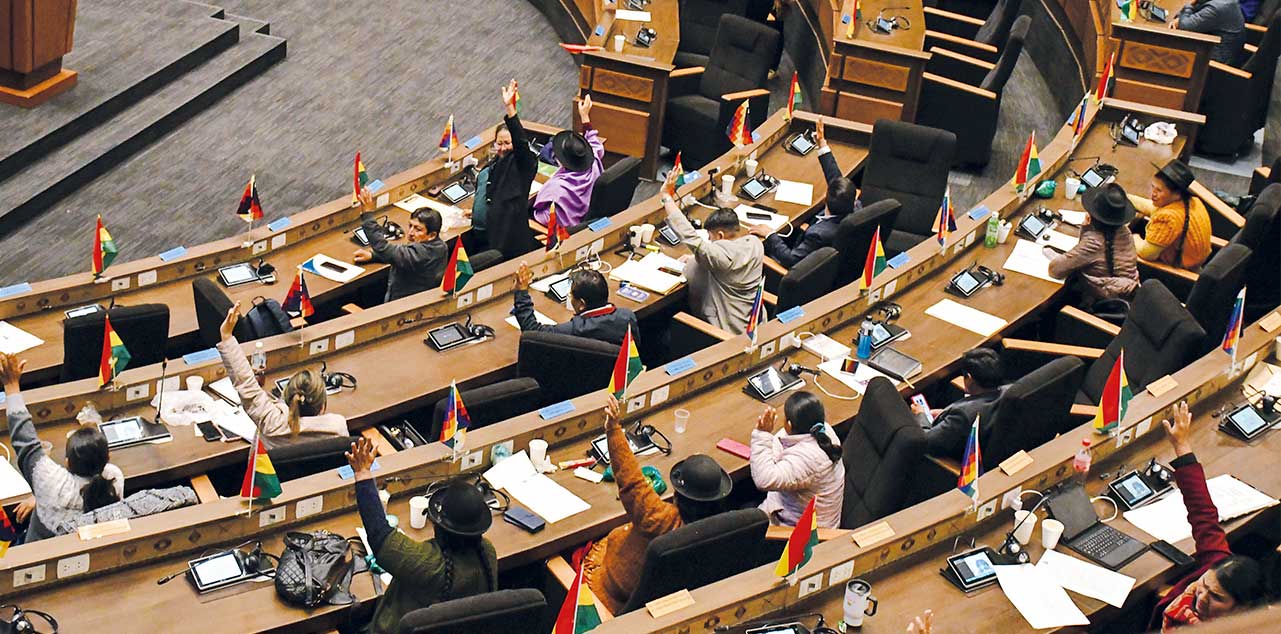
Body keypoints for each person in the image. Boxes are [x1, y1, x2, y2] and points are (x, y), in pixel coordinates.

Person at [583, 395, 732, 614]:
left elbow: (631, 480)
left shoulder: (660, 521)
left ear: (679, 496)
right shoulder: (721, 529)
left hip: (609, 594)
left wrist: (613, 429)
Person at [345, 436, 497, 634]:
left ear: (439, 526)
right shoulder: (488, 553)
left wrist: (363, 473)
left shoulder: (428, 565)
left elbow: (379, 535)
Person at [1152, 401, 1263, 630]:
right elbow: (1202, 512)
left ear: (1243, 608)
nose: (1201, 598)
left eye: (1217, 597)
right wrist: (1182, 445)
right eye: (1204, 586)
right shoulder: (1215, 564)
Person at [1, 352, 123, 542]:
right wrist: (42, 497)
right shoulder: (115, 479)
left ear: (67, 462)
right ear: (108, 457)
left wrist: (11, 386)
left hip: (36, 555)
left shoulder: (52, 483)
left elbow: (25, 441)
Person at [216, 302, 349, 447]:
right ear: (322, 406)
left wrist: (227, 336)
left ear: (286, 400)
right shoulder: (337, 427)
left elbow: (246, 384)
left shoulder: (272, 422)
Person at [660, 169, 765, 334]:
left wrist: (667, 196)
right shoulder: (754, 243)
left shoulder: (719, 256)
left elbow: (690, 237)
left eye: (710, 238)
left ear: (720, 235)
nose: (710, 242)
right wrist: (696, 258)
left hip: (724, 330)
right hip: (753, 324)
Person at [748, 119, 861, 268]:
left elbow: (790, 259)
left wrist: (769, 234)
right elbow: (836, 178)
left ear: (826, 200)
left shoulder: (819, 235)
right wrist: (822, 144)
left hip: (789, 264)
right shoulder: (856, 207)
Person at [750, 391, 845, 528]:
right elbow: (782, 439)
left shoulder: (807, 459)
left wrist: (762, 435)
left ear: (788, 424)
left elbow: (763, 480)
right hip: (803, 514)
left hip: (803, 535)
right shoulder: (825, 432)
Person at [470, 79, 540, 260]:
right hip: (483, 236)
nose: (502, 148)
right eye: (499, 143)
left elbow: (521, 144)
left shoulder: (524, 164)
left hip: (507, 243)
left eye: (507, 143)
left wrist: (510, 109)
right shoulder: (491, 166)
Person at [1047, 183, 1141, 308]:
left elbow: (1055, 270)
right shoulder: (1124, 231)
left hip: (1103, 305)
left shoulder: (1093, 243)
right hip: (1129, 296)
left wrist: (1085, 228)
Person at [353, 188, 449, 302]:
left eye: (418, 229)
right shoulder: (440, 246)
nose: (411, 233)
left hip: (402, 306)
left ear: (432, 235)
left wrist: (367, 214)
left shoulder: (422, 252)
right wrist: (373, 256)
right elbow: (403, 256)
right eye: (410, 226)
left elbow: (384, 248)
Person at [911, 348, 1007, 458]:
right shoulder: (1009, 392)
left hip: (955, 460)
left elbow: (927, 442)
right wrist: (945, 415)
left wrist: (920, 415)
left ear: (970, 378)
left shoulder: (962, 415)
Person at [511, 262, 637, 345]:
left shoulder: (575, 329)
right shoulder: (628, 316)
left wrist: (521, 292)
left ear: (581, 304)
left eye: (571, 295)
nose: (570, 297)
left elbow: (532, 332)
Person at [531, 95, 604, 228]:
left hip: (567, 231)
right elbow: (595, 143)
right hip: (587, 215)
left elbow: (545, 219)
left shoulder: (559, 188)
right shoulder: (593, 163)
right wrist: (585, 116)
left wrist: (535, 212)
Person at [1130, 159, 1212, 271]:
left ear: (1177, 193)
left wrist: (1133, 237)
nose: (1153, 193)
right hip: (1195, 263)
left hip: (1177, 274)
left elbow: (1147, 254)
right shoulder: (1191, 202)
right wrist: (1125, 196)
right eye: (1153, 187)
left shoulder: (1169, 219)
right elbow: (1151, 208)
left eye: (1159, 190)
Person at [1172, 0, 1246, 64]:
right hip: (1212, 48)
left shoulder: (1217, 8)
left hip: (1212, 64)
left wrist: (1189, 4)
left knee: (1167, 47)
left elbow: (1184, 27)